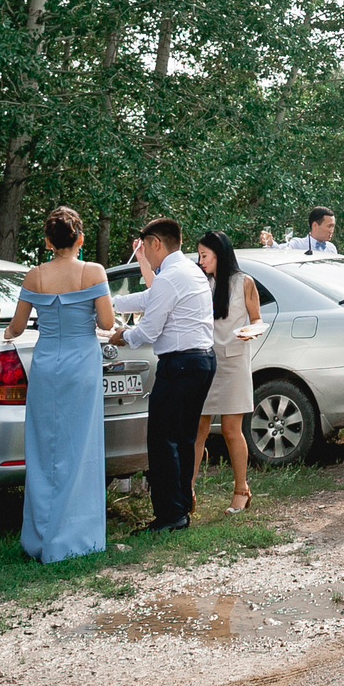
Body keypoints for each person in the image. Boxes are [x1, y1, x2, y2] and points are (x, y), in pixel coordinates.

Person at [4, 208, 113, 562]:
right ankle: (76, 537)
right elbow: (107, 320)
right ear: (80, 238)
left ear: (48, 242)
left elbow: (18, 327)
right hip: (81, 363)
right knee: (79, 449)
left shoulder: (35, 276)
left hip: (47, 364)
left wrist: (6, 333)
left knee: (44, 447)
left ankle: (41, 537)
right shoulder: (93, 271)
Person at [109, 219, 215, 532]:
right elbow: (148, 298)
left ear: (156, 242)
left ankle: (170, 515)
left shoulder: (171, 276)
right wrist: (109, 303)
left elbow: (148, 331)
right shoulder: (187, 271)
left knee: (162, 439)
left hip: (181, 365)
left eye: (144, 247)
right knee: (182, 438)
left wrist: (122, 335)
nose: (144, 254)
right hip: (201, 362)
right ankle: (180, 509)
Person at [194, 231, 263, 514]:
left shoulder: (244, 282)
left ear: (219, 254)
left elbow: (257, 319)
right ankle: (187, 491)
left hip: (234, 361)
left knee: (231, 430)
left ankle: (240, 489)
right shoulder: (199, 282)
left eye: (204, 255)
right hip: (205, 361)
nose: (200, 261)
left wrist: (251, 332)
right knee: (198, 428)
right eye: (198, 256)